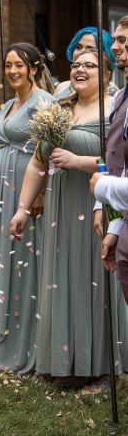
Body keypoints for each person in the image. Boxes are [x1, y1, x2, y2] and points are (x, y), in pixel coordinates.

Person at [12, 48, 127, 391]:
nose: (80, 70)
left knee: (94, 279)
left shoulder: (114, 111)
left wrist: (79, 160)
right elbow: (38, 162)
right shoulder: (59, 110)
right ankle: (64, 361)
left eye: (90, 66)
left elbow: (118, 163)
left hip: (95, 201)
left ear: (106, 75)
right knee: (61, 278)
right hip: (60, 207)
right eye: (76, 65)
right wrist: (22, 207)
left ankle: (102, 367)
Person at [0, 44, 54, 372]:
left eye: (19, 66)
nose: (13, 71)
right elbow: (1, 142)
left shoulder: (44, 103)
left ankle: (26, 342)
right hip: (1, 190)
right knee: (2, 255)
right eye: (8, 65)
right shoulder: (9, 104)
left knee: (24, 259)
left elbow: (49, 150)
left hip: (26, 187)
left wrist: (40, 194)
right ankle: (2, 337)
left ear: (34, 68)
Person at [90, 16, 128, 300]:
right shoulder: (120, 98)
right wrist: (115, 225)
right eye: (115, 39)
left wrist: (101, 188)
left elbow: (108, 180)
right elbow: (118, 164)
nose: (114, 47)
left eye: (122, 40)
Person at [54, 27, 115, 97]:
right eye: (78, 47)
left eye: (90, 49)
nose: (82, 52)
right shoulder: (62, 87)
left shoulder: (112, 92)